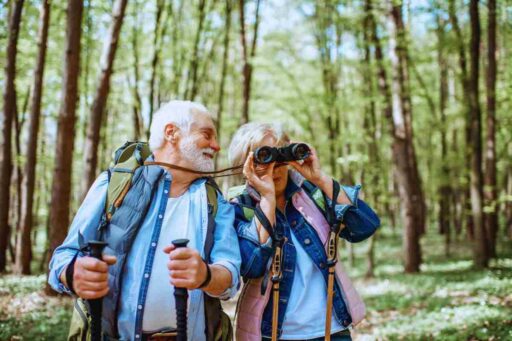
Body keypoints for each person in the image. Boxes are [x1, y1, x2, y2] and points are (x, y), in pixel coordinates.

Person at [48, 100, 241, 341]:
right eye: (206, 134)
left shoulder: (215, 201)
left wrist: (206, 275)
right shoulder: (114, 184)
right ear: (171, 133)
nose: (217, 145)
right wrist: (73, 272)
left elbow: (230, 278)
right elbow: (62, 259)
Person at [228, 123, 380, 341]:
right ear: (244, 166)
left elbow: (365, 226)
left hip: (332, 329)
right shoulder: (239, 207)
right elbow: (251, 265)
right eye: (265, 157)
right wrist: (267, 200)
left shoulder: (313, 193)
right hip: (273, 333)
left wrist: (320, 178)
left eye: (280, 155)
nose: (275, 167)